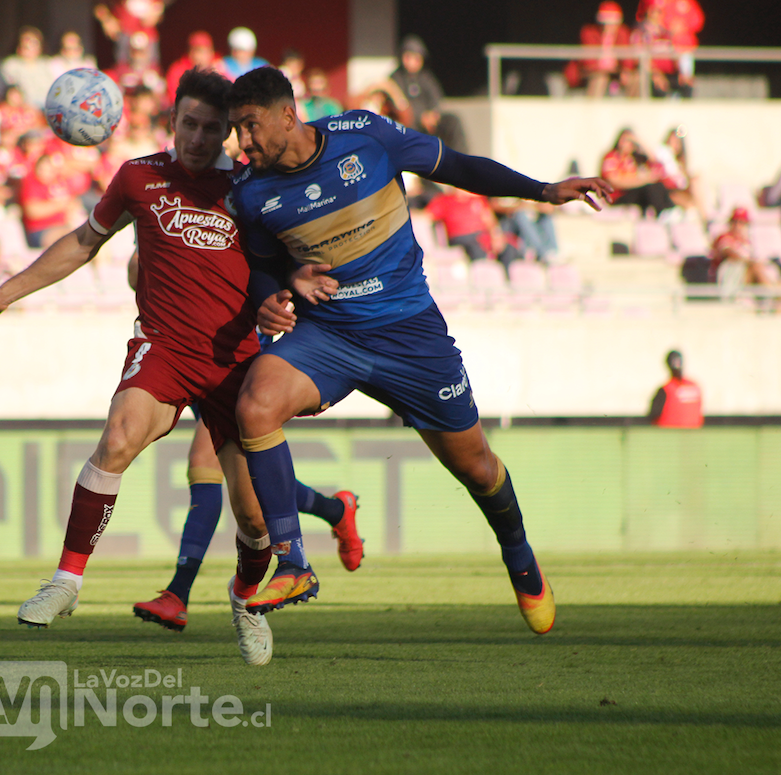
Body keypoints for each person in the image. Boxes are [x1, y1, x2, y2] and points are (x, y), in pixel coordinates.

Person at [226, 66, 612, 629]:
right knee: (255, 405)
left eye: (250, 125)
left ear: (288, 115)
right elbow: (263, 265)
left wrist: (542, 190)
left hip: (409, 334)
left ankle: (519, 554)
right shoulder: (250, 191)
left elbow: (455, 166)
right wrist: (274, 293)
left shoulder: (366, 135)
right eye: (236, 129)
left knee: (477, 468)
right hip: (329, 335)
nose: (243, 141)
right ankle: (293, 563)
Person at [0, 69, 278, 666]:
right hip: (165, 349)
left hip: (235, 363)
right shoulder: (138, 177)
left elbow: (284, 258)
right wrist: (4, 293)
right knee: (118, 438)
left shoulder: (249, 187)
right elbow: (84, 242)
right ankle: (66, 580)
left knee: (255, 518)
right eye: (189, 124)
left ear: (228, 133)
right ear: (171, 121)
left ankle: (245, 599)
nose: (199, 138)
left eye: (212, 128)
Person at [119, 248, 365, 632]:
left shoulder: (247, 242)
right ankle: (335, 510)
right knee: (252, 487)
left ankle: (178, 593)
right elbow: (138, 275)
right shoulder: (187, 241)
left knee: (205, 465)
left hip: (240, 371)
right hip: (196, 362)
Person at [389, 35, 466, 153]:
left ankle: (459, 157)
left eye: (416, 58)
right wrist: (420, 117)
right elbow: (398, 104)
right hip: (409, 123)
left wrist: (433, 115)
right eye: (408, 57)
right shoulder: (395, 78)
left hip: (430, 121)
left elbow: (436, 98)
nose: (412, 61)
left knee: (453, 121)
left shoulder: (426, 78)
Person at [636, 0, 704, 98]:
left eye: (658, 12)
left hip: (681, 52)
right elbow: (641, 20)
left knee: (685, 83)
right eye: (653, 11)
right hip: (656, 59)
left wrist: (682, 26)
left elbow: (698, 20)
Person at [600, 127, 676, 218]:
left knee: (658, 186)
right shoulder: (612, 157)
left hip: (633, 193)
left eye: (631, 142)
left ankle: (669, 210)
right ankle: (662, 213)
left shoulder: (633, 159)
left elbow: (654, 161)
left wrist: (639, 141)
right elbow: (615, 182)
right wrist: (642, 181)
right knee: (649, 188)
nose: (627, 144)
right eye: (625, 140)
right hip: (618, 197)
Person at [708, 207, 779, 300]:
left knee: (768, 271)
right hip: (728, 276)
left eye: (741, 223)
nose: (737, 226)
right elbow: (729, 253)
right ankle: (775, 297)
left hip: (743, 276)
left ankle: (774, 297)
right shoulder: (724, 237)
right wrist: (750, 262)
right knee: (756, 267)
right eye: (735, 222)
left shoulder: (746, 241)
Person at [570, 0, 634, 98]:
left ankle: (634, 107)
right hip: (593, 72)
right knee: (600, 78)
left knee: (635, 79)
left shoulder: (623, 33)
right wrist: (605, 68)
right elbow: (589, 61)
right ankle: (593, 106)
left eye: (612, 22)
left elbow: (627, 57)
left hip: (616, 71)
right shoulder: (589, 32)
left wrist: (625, 70)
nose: (608, 25)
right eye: (605, 21)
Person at [0, 26, 54, 112]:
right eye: (26, 45)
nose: (29, 47)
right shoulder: (11, 65)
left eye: (33, 44)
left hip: (47, 109)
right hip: (23, 110)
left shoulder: (48, 64)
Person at [648, 350, 702, 428]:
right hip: (694, 432)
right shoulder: (695, 387)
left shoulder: (666, 390)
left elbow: (653, 414)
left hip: (668, 432)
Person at [165, 31, 217, 107]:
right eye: (199, 51)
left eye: (206, 51)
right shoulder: (178, 70)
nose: (203, 56)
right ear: (191, 52)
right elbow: (175, 98)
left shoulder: (218, 67)